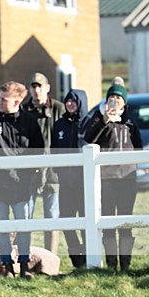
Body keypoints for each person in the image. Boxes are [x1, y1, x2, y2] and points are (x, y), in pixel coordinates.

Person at [0, 81, 44, 278]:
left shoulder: (30, 122)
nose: (0, 103)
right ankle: (8, 267)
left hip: (22, 185)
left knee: (24, 227)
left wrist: (31, 175)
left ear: (17, 100)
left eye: (4, 100)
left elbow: (39, 148)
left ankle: (24, 265)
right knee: (2, 228)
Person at [83, 82, 142, 271]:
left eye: (118, 99)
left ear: (124, 104)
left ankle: (125, 264)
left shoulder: (131, 123)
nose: (114, 102)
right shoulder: (98, 119)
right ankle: (111, 264)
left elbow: (139, 147)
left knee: (125, 221)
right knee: (107, 221)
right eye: (111, 98)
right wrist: (104, 120)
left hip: (127, 178)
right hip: (106, 179)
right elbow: (88, 138)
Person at [21, 72, 65, 255]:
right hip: (30, 173)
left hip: (53, 173)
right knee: (25, 217)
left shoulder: (58, 109)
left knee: (52, 218)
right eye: (33, 86)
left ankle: (51, 259)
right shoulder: (23, 111)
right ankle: (24, 259)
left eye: (40, 86)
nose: (37, 90)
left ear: (47, 88)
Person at [52, 89, 89, 269]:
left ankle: (90, 257)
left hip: (85, 183)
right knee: (66, 221)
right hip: (65, 182)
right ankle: (77, 260)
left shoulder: (89, 124)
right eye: (67, 101)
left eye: (74, 101)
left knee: (85, 221)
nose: (70, 104)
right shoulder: (59, 125)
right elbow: (53, 149)